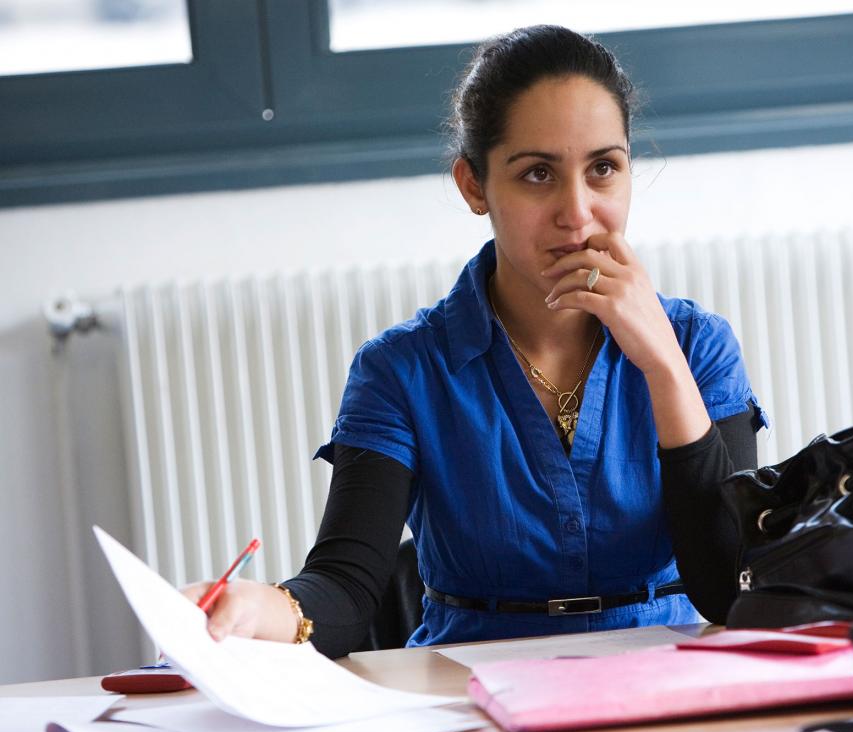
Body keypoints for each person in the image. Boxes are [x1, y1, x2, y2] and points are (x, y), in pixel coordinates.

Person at [183, 24, 766, 657]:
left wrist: (663, 366)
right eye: (538, 174)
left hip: (669, 682)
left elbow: (732, 590)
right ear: (474, 186)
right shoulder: (400, 370)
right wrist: (256, 608)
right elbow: (346, 594)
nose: (577, 212)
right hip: (467, 691)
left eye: (603, 169)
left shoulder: (698, 344)